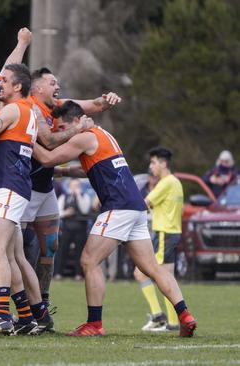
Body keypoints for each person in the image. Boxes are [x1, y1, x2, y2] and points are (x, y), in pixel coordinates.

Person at [34, 101, 197, 337]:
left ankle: (94, 324)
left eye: (63, 127)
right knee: (152, 267)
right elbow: (87, 168)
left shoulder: (85, 136)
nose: (61, 133)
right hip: (136, 207)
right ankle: (185, 315)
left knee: (89, 261)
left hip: (118, 206)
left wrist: (27, 138)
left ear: (79, 121)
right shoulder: (103, 135)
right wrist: (63, 172)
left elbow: (49, 158)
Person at [23, 67, 121, 320]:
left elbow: (92, 105)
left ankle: (42, 305)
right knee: (14, 251)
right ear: (37, 88)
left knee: (50, 249)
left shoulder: (56, 105)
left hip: (45, 189)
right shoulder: (30, 107)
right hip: (24, 189)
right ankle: (11, 309)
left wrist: (107, 99)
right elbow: (49, 142)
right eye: (53, 82)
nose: (58, 86)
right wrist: (80, 129)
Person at [0, 63, 41, 335]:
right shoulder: (30, 111)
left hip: (8, 187)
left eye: (5, 81)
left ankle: (3, 315)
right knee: (11, 256)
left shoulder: (14, 109)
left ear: (18, 87)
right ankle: (27, 318)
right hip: (16, 187)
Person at [134, 147, 184, 332]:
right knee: (168, 278)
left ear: (163, 164)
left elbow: (144, 203)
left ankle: (158, 317)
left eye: (153, 162)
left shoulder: (165, 183)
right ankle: (172, 323)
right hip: (172, 234)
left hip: (164, 234)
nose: (150, 166)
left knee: (141, 273)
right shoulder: (176, 182)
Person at [54, 178, 91, 279]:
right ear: (70, 186)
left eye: (77, 186)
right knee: (62, 250)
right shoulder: (64, 197)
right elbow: (58, 212)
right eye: (73, 186)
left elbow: (85, 210)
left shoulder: (85, 196)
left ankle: (78, 274)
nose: (75, 188)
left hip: (80, 228)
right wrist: (66, 213)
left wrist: (78, 196)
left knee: (80, 251)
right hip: (67, 227)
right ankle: (58, 273)